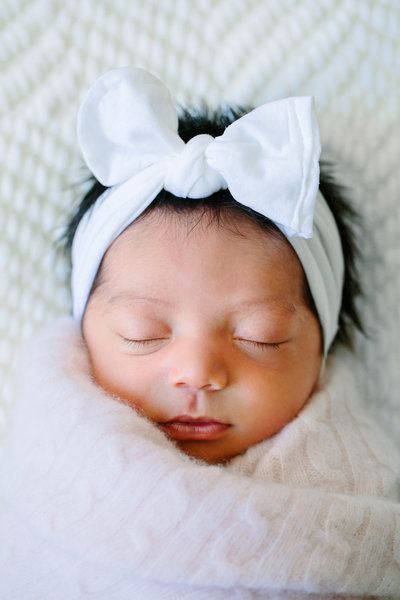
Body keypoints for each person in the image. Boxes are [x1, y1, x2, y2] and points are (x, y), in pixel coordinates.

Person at [0, 67, 399, 599]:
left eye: (261, 336)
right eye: (143, 333)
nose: (197, 373)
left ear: (322, 350)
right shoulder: (42, 468)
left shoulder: (363, 492)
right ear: (84, 331)